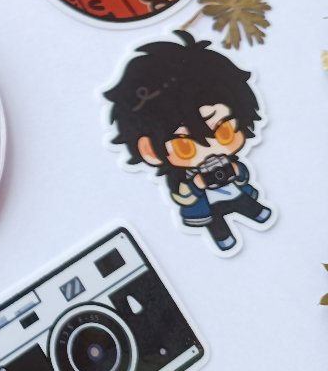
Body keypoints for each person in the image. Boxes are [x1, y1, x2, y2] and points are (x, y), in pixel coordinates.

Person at [104, 30, 273, 253]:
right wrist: (197, 185)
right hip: (207, 209)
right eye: (186, 146)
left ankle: (256, 212)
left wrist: (235, 171)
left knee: (246, 204)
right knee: (216, 224)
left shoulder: (227, 159)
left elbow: (242, 175)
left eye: (224, 132)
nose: (210, 149)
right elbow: (182, 196)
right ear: (150, 151)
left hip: (236, 194)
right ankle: (223, 238)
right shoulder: (180, 177)